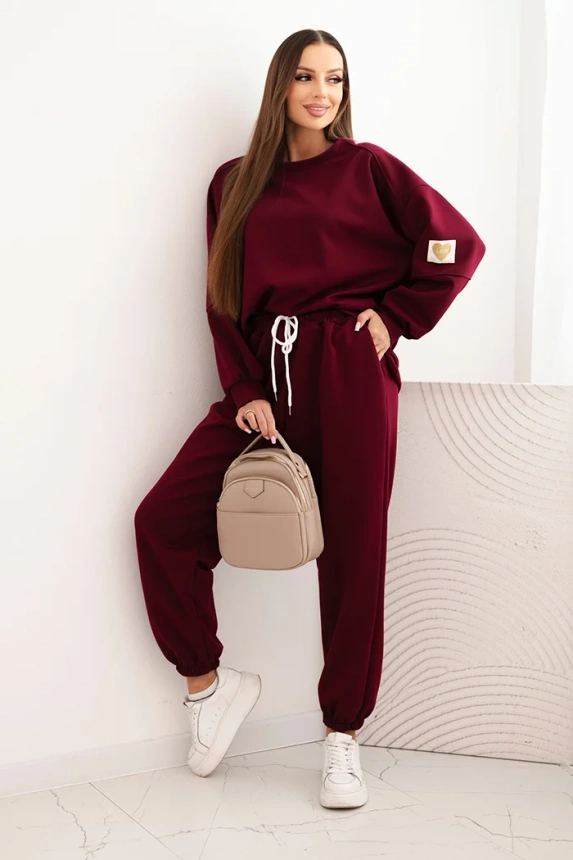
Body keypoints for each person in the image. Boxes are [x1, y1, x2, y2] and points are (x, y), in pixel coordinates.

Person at [134, 28, 486, 809]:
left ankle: (342, 737)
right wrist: (242, 389)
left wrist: (397, 315)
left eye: (334, 78)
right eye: (304, 77)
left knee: (353, 557)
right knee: (163, 521)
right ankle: (208, 685)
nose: (321, 92)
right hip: (266, 376)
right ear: (279, 88)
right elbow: (221, 297)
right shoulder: (233, 183)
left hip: (350, 375)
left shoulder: (369, 168)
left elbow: (454, 244)